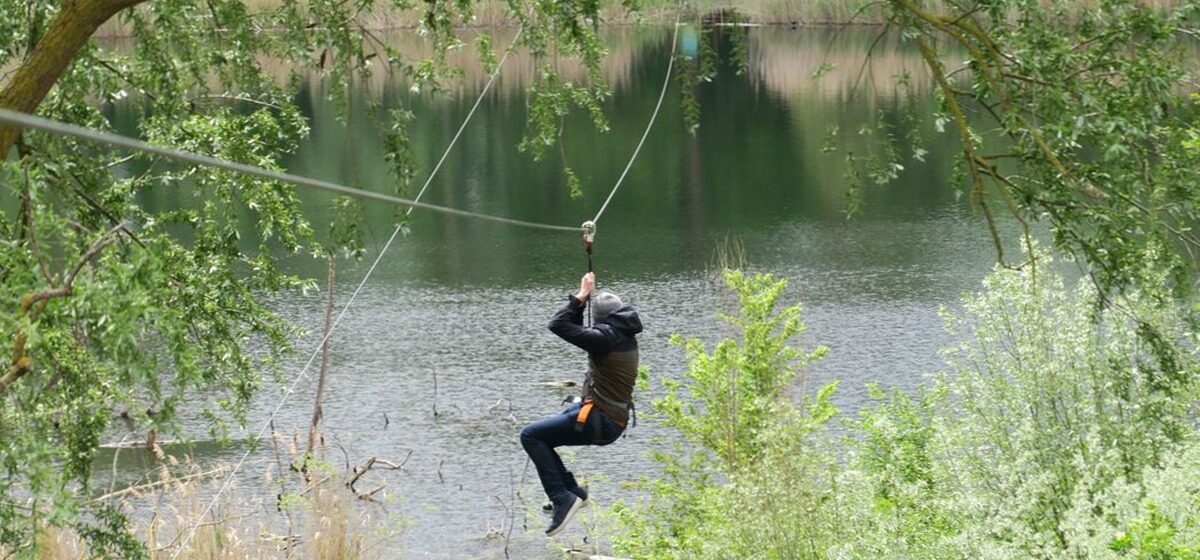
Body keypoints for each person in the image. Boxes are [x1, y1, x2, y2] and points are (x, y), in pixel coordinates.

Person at [519, 271, 643, 537]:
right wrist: (583, 303)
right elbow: (574, 332)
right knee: (547, 434)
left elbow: (558, 325)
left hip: (603, 421)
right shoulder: (620, 334)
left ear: (599, 321)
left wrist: (580, 297)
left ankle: (563, 497)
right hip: (608, 417)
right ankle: (572, 492)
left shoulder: (603, 339)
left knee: (530, 435)